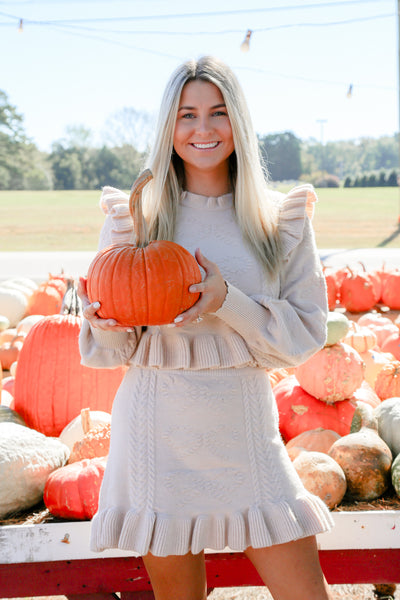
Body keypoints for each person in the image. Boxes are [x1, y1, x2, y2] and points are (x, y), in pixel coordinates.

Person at [78, 55, 334, 600]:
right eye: (187, 114)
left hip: (242, 426)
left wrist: (228, 301)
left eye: (217, 113)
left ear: (237, 122)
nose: (202, 129)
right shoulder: (135, 214)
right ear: (169, 126)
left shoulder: (277, 219)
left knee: (307, 594)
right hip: (156, 428)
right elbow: (119, 345)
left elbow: (306, 333)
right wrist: (101, 323)